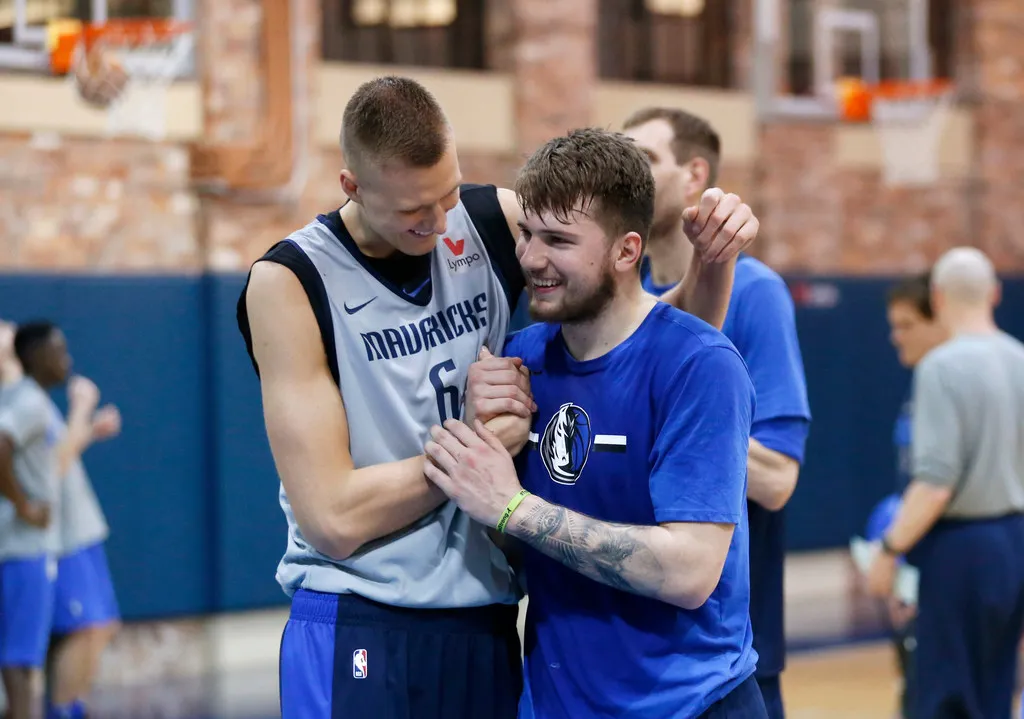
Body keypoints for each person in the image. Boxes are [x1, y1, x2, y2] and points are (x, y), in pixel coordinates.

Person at [236, 76, 761, 718]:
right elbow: (333, 520)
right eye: (412, 212)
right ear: (352, 187)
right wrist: (484, 461)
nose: (436, 224)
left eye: (448, 195)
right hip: (361, 611)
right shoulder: (291, 280)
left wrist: (715, 259)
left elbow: (644, 331)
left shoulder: (495, 222)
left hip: (485, 614)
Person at [423, 127, 766, 718]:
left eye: (557, 239)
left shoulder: (699, 365)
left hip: (690, 705)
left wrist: (512, 506)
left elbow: (689, 570)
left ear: (626, 251)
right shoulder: (520, 360)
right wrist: (488, 447)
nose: (531, 258)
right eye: (526, 233)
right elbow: (515, 549)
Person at [622, 106, 811, 717]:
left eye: (645, 159)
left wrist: (646, 427)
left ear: (694, 174)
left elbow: (779, 478)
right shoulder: (623, 297)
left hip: (732, 649)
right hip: (635, 642)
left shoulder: (755, 292)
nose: (626, 173)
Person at [867, 247, 1024, 719]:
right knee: (995, 691)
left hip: (963, 551)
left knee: (944, 698)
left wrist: (890, 549)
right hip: (1015, 540)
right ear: (994, 293)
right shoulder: (1020, 358)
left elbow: (936, 482)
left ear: (936, 296)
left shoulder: (942, 366)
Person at [0, 322, 96, 719]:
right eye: (59, 351)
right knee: (20, 663)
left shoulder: (20, 399)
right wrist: (24, 505)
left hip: (19, 549)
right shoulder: (31, 404)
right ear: (35, 357)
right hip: (24, 551)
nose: (66, 360)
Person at [879, 271, 948, 719]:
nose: (895, 336)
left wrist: (891, 551)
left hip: (952, 572)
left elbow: (940, 485)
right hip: (921, 571)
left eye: (906, 325)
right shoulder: (920, 387)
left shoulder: (952, 384)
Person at [45, 396, 122, 719]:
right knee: (84, 628)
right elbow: (49, 470)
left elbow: (49, 454)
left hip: (77, 530)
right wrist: (81, 408)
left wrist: (87, 430)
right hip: (57, 537)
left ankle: (73, 707)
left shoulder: (26, 393)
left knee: (100, 627)